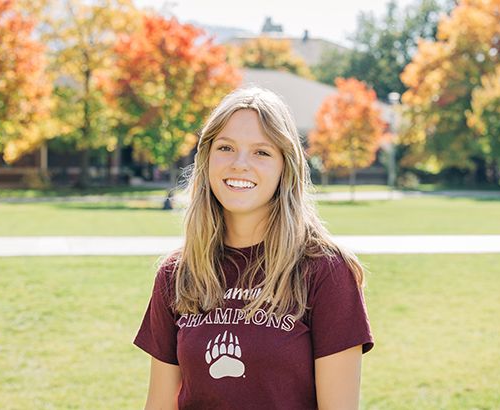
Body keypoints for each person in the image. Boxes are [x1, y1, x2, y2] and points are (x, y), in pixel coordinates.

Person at [134, 87, 374, 409]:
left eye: (261, 152)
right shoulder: (177, 275)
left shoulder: (325, 271)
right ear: (206, 160)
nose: (239, 164)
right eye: (226, 147)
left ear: (284, 167)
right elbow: (160, 404)